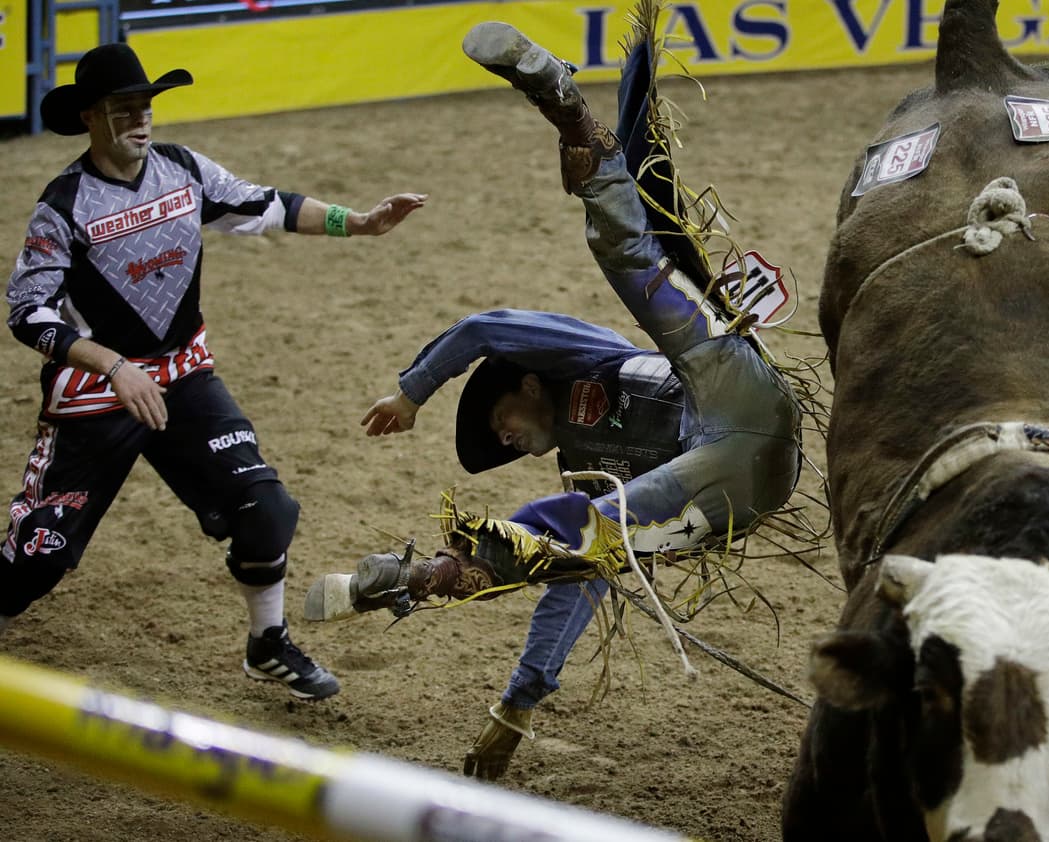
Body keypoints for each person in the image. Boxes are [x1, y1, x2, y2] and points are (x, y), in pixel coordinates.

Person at [303, 21, 803, 778]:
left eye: (497, 420)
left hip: (729, 390)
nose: (503, 440)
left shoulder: (581, 358)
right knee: (573, 542)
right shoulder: (586, 479)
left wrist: (412, 392)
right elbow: (579, 577)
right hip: (733, 483)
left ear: (528, 384)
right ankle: (423, 579)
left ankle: (568, 110)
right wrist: (518, 703)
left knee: (627, 254)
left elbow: (485, 328)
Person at [2, 43, 425, 700]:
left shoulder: (182, 169)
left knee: (268, 511)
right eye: (123, 108)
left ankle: (268, 643)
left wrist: (361, 224)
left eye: (146, 106)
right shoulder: (62, 206)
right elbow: (27, 312)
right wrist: (114, 366)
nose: (141, 119)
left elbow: (269, 204)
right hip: (95, 392)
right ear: (89, 117)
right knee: (35, 562)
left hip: (182, 375)